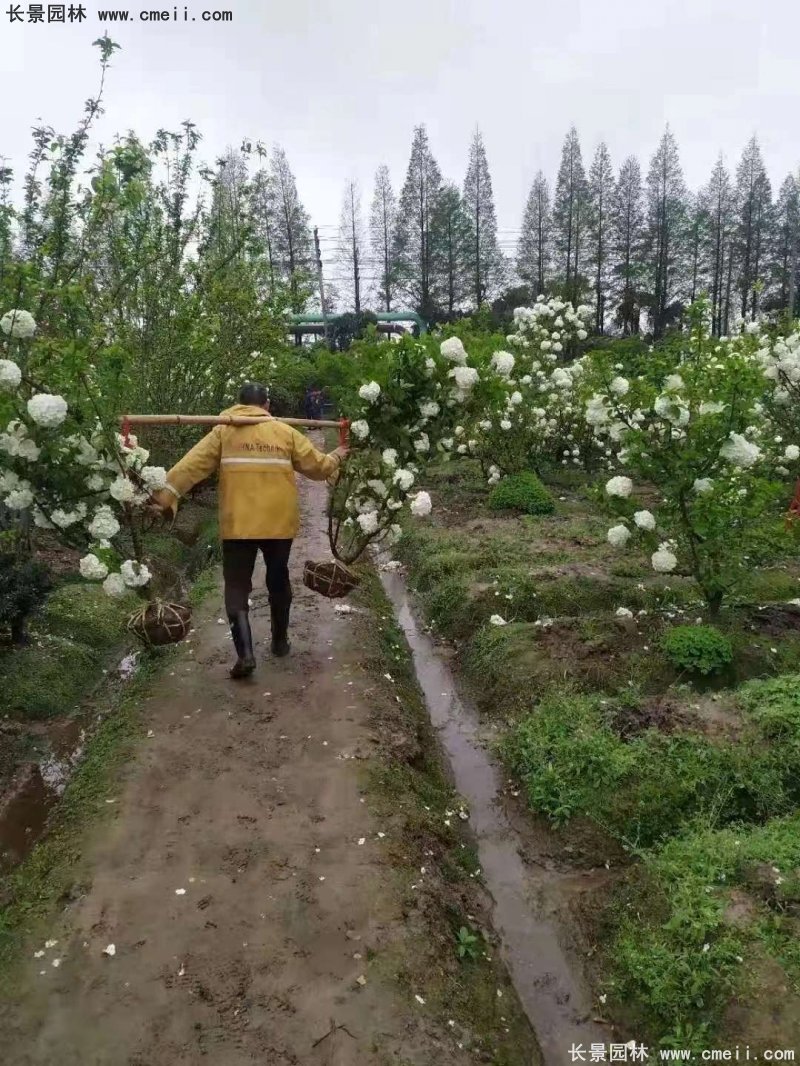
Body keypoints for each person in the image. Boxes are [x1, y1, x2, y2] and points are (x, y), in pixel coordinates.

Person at [151, 382, 348, 679]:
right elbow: (318, 468)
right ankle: (280, 643)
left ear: (238, 404)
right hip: (278, 523)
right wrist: (338, 454)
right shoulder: (284, 432)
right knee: (278, 578)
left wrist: (162, 496)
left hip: (238, 523)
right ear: (266, 405)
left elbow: (190, 467)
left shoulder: (223, 431)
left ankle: (245, 655)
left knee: (236, 586)